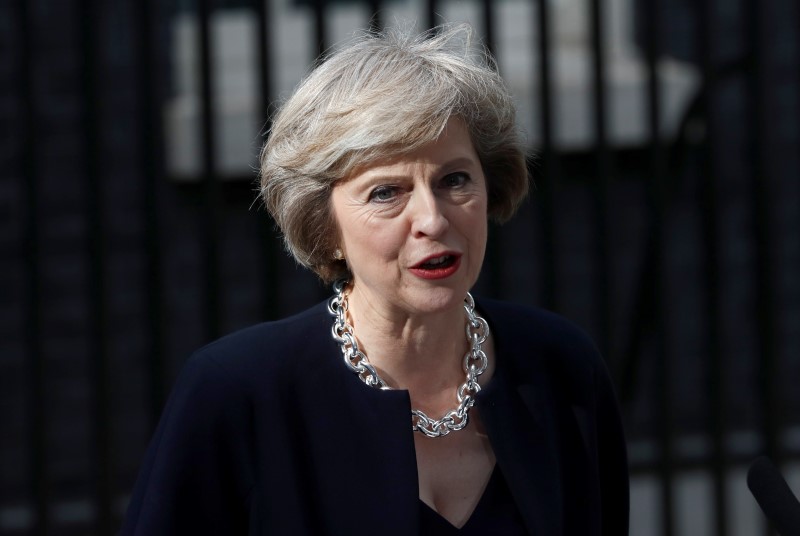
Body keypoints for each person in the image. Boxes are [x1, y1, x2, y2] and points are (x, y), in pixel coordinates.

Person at [121, 23, 628, 535]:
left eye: (454, 179)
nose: (431, 219)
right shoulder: (235, 392)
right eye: (387, 192)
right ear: (326, 226)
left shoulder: (560, 367)